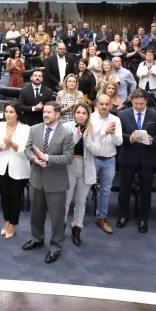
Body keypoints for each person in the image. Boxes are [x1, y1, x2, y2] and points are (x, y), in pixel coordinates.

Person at [22, 101, 74, 263]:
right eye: (44, 112)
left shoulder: (66, 134)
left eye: (49, 112)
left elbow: (68, 158)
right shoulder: (34, 129)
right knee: (36, 215)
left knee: (57, 218)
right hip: (37, 179)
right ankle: (36, 238)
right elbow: (28, 149)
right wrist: (35, 159)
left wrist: (46, 158)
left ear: (58, 114)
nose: (45, 115)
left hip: (56, 182)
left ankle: (55, 247)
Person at [116, 89, 156, 233]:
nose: (138, 106)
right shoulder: (123, 114)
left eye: (141, 103)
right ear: (131, 101)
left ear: (146, 101)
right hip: (128, 157)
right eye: (136, 103)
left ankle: (143, 218)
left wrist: (152, 141)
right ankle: (123, 215)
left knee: (146, 191)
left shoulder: (155, 115)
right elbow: (119, 135)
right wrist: (130, 138)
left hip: (147, 158)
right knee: (124, 189)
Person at [0, 102, 30, 240]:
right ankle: (6, 220)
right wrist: (3, 147)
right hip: (0, 167)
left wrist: (12, 144)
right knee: (4, 195)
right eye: (6, 111)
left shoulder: (26, 128)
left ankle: (13, 224)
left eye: (11, 112)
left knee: (15, 196)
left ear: (17, 113)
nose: (8, 114)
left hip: (19, 168)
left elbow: (26, 149)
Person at [63, 103, 99, 246]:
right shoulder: (66, 127)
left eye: (84, 113)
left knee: (81, 202)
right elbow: (64, 148)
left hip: (86, 169)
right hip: (70, 168)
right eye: (78, 112)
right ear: (74, 114)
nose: (81, 115)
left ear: (88, 115)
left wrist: (87, 139)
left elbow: (97, 151)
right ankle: (61, 228)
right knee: (65, 200)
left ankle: (77, 230)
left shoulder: (92, 128)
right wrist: (77, 137)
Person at [89, 94, 123, 234]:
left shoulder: (116, 119)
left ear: (111, 105)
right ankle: (76, 217)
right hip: (92, 158)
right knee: (83, 189)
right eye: (101, 104)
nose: (104, 107)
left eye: (106, 104)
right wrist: (105, 132)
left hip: (109, 160)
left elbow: (119, 142)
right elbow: (89, 139)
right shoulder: (90, 117)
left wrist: (112, 133)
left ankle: (101, 217)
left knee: (105, 191)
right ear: (96, 105)